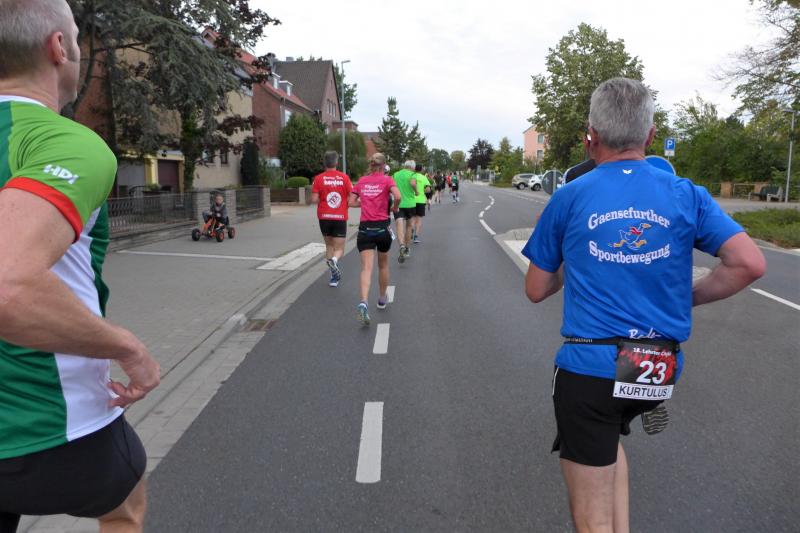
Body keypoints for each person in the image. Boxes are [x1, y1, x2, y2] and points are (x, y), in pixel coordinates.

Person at [523, 77, 765, 533]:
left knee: (590, 516)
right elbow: (749, 263)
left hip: (590, 369)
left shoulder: (569, 195)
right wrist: (686, 299)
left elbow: (536, 288)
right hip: (658, 366)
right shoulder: (686, 193)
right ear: (650, 136)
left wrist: (573, 250)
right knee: (610, 437)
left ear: (590, 137)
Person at [0, 1, 161, 532]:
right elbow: (7, 286)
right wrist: (128, 349)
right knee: (125, 502)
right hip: (48, 424)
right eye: (74, 35)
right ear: (58, 47)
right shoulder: (63, 142)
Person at [349, 153, 400, 325]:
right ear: (384, 165)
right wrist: (394, 208)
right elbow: (398, 196)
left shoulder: (362, 181)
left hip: (365, 231)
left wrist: (364, 203)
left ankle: (363, 302)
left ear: (371, 165)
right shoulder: (387, 180)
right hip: (382, 230)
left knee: (366, 268)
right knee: (383, 265)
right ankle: (382, 298)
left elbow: (351, 202)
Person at [311, 151, 353, 287]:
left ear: (325, 163)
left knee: (329, 246)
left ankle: (333, 278)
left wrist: (323, 199)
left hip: (324, 217)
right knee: (339, 248)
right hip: (340, 217)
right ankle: (334, 261)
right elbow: (351, 197)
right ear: (336, 162)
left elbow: (314, 199)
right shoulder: (344, 178)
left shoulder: (318, 179)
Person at [392, 160, 417, 263]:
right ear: (412, 167)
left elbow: (391, 187)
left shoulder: (396, 174)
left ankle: (401, 245)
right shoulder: (412, 174)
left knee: (399, 225)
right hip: (410, 204)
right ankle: (407, 248)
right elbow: (413, 183)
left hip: (398, 203)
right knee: (409, 226)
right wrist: (416, 191)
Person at [412, 163, 431, 243]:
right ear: (422, 169)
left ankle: (410, 230)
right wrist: (423, 191)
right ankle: (416, 237)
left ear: (414, 168)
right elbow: (428, 190)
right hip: (420, 200)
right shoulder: (424, 177)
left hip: (411, 200)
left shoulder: (411, 176)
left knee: (412, 218)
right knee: (419, 219)